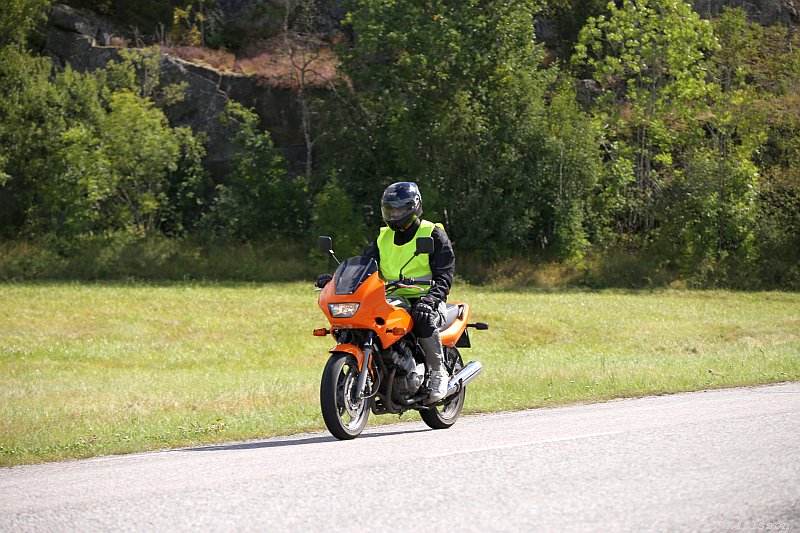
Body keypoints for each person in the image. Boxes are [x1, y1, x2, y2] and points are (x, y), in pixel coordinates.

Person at [316, 182, 455, 403]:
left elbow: (445, 275)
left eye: (399, 209)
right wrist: (334, 279)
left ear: (413, 207)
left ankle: (439, 373)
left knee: (422, 317)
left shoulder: (433, 234)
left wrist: (430, 299)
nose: (395, 214)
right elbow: (362, 267)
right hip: (393, 295)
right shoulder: (383, 237)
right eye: (390, 209)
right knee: (362, 320)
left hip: (426, 296)